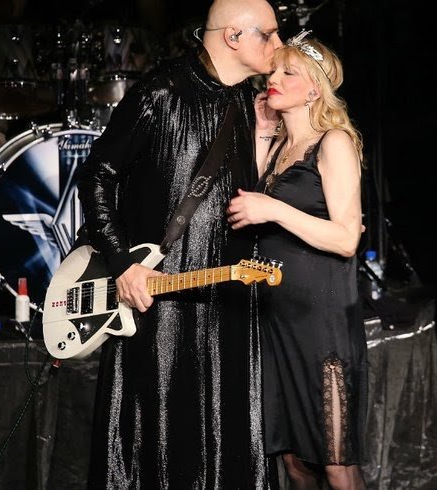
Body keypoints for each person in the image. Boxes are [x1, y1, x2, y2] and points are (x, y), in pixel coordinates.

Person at [75, 0, 283, 488]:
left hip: (227, 302)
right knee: (160, 445)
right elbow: (97, 175)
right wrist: (123, 263)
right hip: (159, 308)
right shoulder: (161, 92)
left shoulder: (245, 100)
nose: (278, 44)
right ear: (233, 36)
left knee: (227, 442)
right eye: (269, 34)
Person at [227, 32, 368, 489]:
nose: (274, 78)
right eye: (274, 70)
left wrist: (274, 210)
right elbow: (248, 202)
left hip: (322, 322)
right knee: (293, 462)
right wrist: (261, 132)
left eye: (289, 72)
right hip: (276, 319)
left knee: (336, 463)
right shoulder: (278, 149)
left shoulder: (333, 142)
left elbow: (346, 238)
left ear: (314, 90)